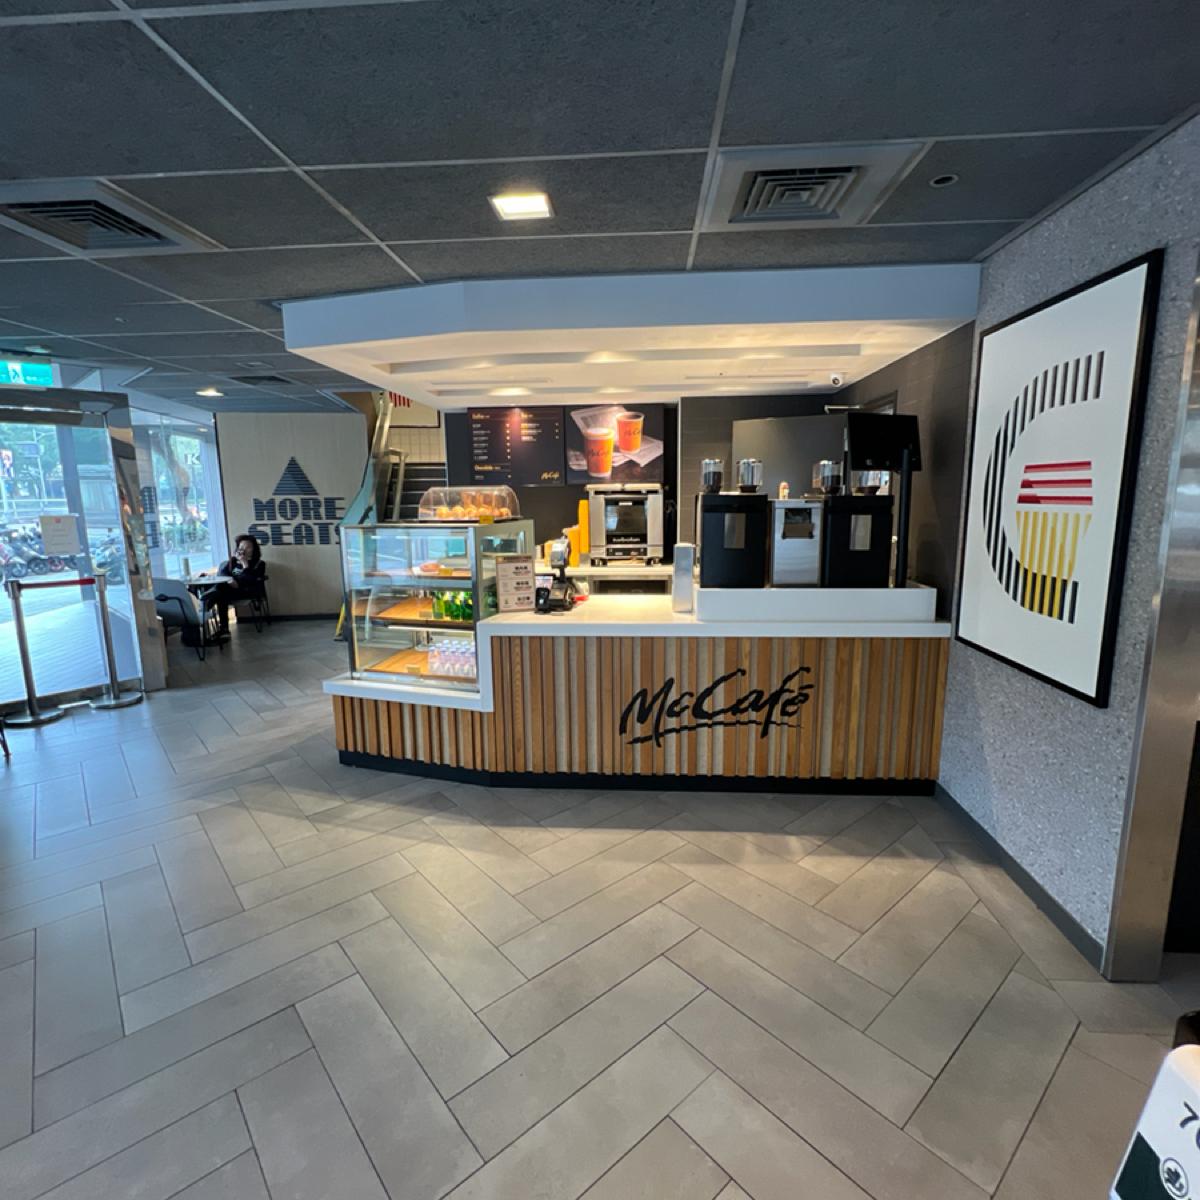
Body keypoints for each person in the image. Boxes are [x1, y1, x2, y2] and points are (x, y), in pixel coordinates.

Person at [207, 534, 266, 637]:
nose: (244, 550)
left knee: (220, 592)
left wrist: (245, 564)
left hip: (247, 591)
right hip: (229, 590)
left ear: (254, 549)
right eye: (241, 547)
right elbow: (222, 574)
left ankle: (207, 606)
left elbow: (250, 580)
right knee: (221, 593)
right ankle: (224, 629)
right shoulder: (233, 561)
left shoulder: (259, 564)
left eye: (248, 547)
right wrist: (231, 580)